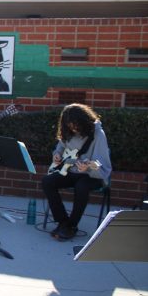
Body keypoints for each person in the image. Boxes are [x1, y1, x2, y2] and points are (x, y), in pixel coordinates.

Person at [41, 103, 111, 241]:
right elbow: (60, 147)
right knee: (47, 181)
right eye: (69, 125)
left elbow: (101, 163)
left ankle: (72, 225)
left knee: (82, 187)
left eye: (75, 125)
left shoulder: (98, 134)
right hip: (70, 170)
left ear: (83, 121)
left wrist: (89, 167)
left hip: (91, 175)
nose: (73, 128)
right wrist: (57, 154)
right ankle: (63, 222)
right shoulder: (68, 131)